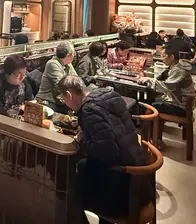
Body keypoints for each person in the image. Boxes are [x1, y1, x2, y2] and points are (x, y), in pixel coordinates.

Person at [58, 76, 149, 222]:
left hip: (124, 186)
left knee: (73, 186)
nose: (65, 103)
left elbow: (107, 151)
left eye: (64, 99)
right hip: (140, 172)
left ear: (68, 95)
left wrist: (82, 140)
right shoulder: (108, 93)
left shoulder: (88, 110)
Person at [138, 48, 196, 147]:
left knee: (149, 106)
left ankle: (152, 139)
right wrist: (151, 79)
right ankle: (154, 136)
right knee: (152, 100)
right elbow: (163, 79)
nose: (162, 58)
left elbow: (167, 86)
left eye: (164, 56)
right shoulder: (175, 66)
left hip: (181, 107)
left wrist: (149, 79)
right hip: (181, 103)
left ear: (172, 57)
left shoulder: (179, 70)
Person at [36, 41, 77, 112]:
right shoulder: (52, 64)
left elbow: (76, 80)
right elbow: (62, 84)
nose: (74, 56)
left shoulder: (67, 63)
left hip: (60, 101)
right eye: (74, 53)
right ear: (69, 55)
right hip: (47, 101)